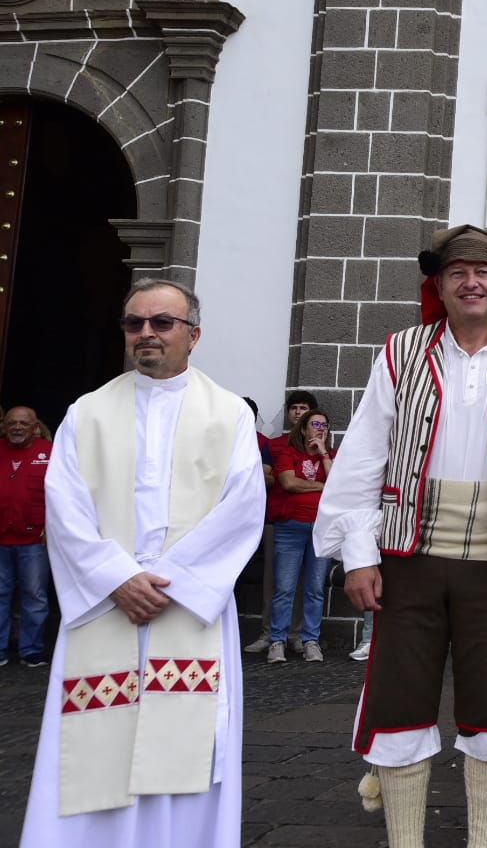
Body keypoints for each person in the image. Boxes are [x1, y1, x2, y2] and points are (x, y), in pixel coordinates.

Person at [314, 223, 487, 848]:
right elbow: (362, 456)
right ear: (438, 284)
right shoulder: (401, 351)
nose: (471, 281)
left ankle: (483, 842)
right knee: (397, 703)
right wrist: (357, 554)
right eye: (458, 272)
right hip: (407, 556)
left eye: (483, 272)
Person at [20, 278, 264, 847]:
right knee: (93, 744)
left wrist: (168, 582)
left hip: (188, 605)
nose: (146, 334)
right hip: (107, 603)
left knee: (186, 747)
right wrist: (118, 578)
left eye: (162, 323)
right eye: (135, 324)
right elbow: (65, 506)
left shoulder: (229, 414)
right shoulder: (88, 412)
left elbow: (243, 509)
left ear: (193, 335)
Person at [245, 389, 316, 657]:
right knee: (274, 582)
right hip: (278, 518)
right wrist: (289, 479)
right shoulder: (273, 445)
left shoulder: (323, 449)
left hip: (309, 520)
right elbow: (267, 478)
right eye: (294, 408)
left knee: (306, 584)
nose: (298, 412)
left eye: (303, 408)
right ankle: (268, 633)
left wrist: (294, 481)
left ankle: (296, 635)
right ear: (288, 414)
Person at [267, 408, 336, 664]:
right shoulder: (288, 453)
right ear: (304, 429)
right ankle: (277, 641)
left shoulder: (332, 456)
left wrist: (324, 454)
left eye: (325, 425)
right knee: (284, 588)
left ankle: (310, 641)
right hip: (290, 528)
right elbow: (288, 483)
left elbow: (337, 485)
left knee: (315, 589)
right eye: (315, 424)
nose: (320, 429)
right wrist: (321, 486)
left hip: (321, 531)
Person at [1, 405, 53, 667]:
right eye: (12, 423)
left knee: (35, 596)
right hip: (1, 538)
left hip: (35, 539)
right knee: (0, 594)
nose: (17, 427)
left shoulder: (49, 453)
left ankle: (31, 650)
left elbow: (60, 496)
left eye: (23, 423)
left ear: (35, 427)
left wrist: (52, 527)